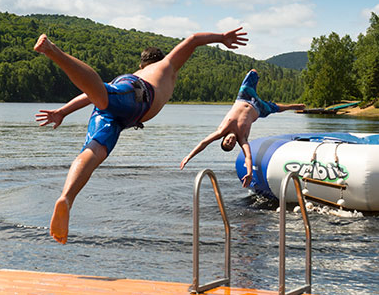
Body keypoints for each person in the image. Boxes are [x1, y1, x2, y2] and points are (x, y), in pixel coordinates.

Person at [34, 27, 248, 244]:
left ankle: (66, 198)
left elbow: (92, 94)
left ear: (141, 65)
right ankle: (53, 50)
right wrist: (222, 38)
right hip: (137, 97)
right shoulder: (167, 66)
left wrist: (63, 111)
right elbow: (192, 40)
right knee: (102, 103)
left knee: (93, 150)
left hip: (120, 115)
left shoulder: (139, 72)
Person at [179, 69, 304, 187]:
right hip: (258, 108)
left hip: (244, 97)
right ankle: (292, 106)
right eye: (232, 145)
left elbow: (204, 142)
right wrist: (249, 173)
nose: (231, 141)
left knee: (253, 72)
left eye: (227, 142)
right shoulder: (242, 138)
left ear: (223, 138)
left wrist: (188, 157)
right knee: (274, 108)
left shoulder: (222, 130)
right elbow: (248, 156)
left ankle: (256, 86)